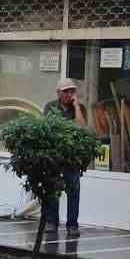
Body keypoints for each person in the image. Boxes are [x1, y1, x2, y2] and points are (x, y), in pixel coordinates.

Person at [42, 78, 85, 232]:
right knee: (53, 190)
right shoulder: (50, 107)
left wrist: (77, 106)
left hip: (72, 157)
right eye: (66, 91)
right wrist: (68, 127)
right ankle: (52, 221)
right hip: (54, 155)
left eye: (72, 91)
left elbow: (80, 127)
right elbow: (49, 127)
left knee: (73, 191)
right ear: (59, 93)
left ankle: (72, 225)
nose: (70, 94)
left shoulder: (78, 108)